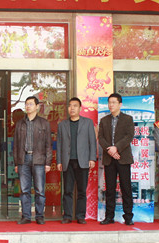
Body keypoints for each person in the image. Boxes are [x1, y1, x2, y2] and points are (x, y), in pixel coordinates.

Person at [56, 97, 97, 224]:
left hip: (83, 161)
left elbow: (92, 142)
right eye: (70, 106)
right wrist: (59, 161)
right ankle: (67, 216)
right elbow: (59, 144)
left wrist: (92, 158)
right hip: (67, 161)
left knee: (81, 191)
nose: (72, 108)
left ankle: (80, 216)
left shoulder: (88, 123)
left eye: (75, 106)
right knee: (67, 190)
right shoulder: (62, 125)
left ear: (80, 108)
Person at [97, 92, 135, 225]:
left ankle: (128, 216)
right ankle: (109, 216)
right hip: (109, 158)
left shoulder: (128, 119)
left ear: (120, 104)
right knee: (110, 189)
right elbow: (101, 138)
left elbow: (129, 136)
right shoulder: (104, 120)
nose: (111, 105)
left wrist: (116, 148)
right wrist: (111, 150)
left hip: (123, 158)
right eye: (109, 102)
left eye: (113, 102)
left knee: (126, 188)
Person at [13, 96, 52, 225]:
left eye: (30, 104)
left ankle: (40, 216)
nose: (28, 106)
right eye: (26, 104)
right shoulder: (20, 124)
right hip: (23, 159)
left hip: (39, 159)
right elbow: (16, 145)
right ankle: (26, 216)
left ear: (37, 106)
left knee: (40, 190)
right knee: (24, 190)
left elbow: (48, 145)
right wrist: (16, 162)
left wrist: (48, 163)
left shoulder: (44, 123)